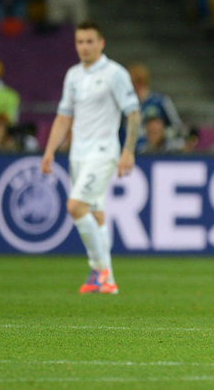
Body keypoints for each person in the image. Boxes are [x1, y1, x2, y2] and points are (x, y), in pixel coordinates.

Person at [40, 21, 141, 295]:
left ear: (101, 43)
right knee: (96, 214)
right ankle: (105, 279)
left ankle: (101, 270)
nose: (84, 47)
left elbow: (133, 112)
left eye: (89, 41)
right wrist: (49, 151)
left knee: (75, 206)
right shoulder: (73, 75)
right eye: (79, 42)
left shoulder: (115, 73)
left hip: (103, 152)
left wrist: (128, 150)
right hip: (78, 155)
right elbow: (64, 117)